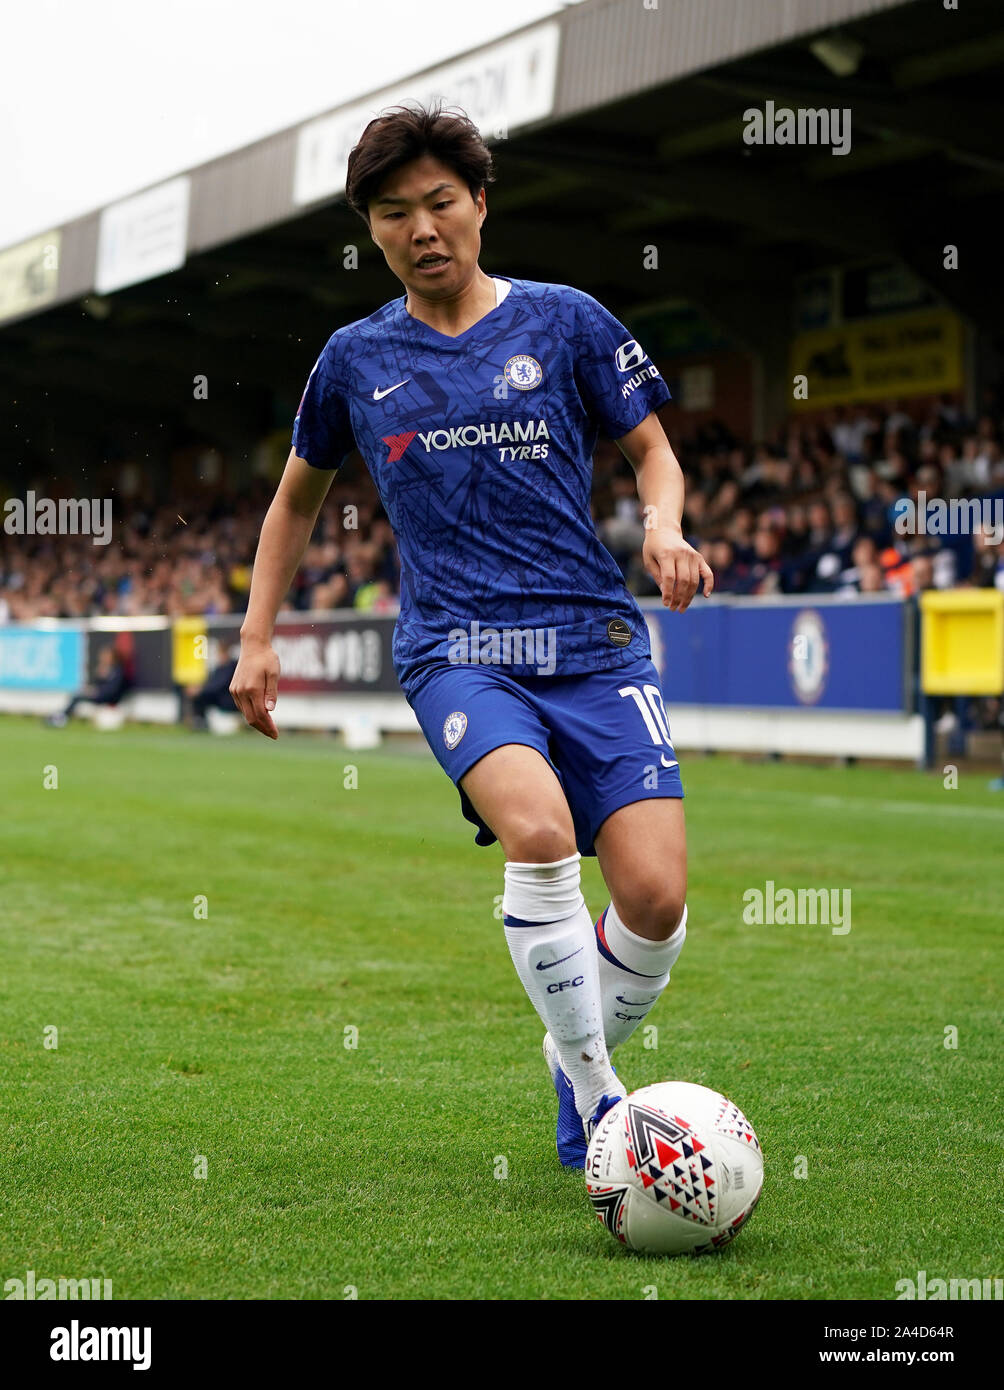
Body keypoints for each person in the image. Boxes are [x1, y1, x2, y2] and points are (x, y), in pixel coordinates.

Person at [230, 103, 714, 1169]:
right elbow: (294, 505)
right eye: (393, 212)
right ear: (374, 229)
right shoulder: (354, 359)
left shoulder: (566, 320)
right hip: (459, 650)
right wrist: (256, 635)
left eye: (439, 202)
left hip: (594, 644)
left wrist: (666, 527)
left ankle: (568, 1055)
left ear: (480, 204)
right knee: (538, 834)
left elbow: (651, 448)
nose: (421, 228)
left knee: (654, 897)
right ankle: (599, 1100)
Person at [45, 644, 132, 727]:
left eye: (107, 655)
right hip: (100, 695)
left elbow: (112, 689)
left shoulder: (117, 670)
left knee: (78, 698)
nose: (104, 657)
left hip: (109, 698)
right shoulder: (103, 668)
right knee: (77, 696)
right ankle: (61, 716)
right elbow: (97, 684)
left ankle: (61, 718)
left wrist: (97, 691)